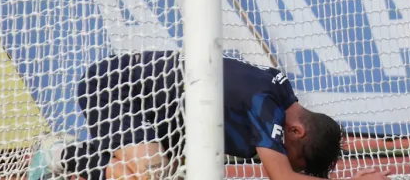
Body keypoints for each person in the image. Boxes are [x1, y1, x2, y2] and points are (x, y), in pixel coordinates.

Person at [25, 52, 361, 180]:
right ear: (297, 132)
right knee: (140, 177)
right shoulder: (266, 104)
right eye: (293, 156)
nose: (284, 159)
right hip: (115, 91)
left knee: (168, 174)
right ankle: (59, 152)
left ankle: (86, 157)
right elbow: (282, 178)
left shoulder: (284, 98)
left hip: (164, 114)